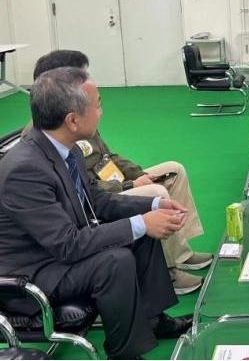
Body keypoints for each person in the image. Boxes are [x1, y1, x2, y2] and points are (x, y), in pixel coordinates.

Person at [0, 67, 192, 359]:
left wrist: (153, 206)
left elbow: (97, 201)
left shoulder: (66, 149)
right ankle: (125, 354)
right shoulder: (25, 170)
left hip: (56, 254)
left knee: (141, 233)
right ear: (73, 120)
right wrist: (141, 223)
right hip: (34, 273)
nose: (101, 112)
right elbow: (67, 245)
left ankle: (153, 320)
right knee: (115, 260)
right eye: (98, 105)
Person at [29, 50, 212, 295]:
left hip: (112, 185)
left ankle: (181, 253)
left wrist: (137, 174)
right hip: (104, 196)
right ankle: (168, 271)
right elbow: (82, 194)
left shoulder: (79, 123)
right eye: (81, 77)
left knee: (173, 170)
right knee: (155, 194)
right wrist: (130, 186)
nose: (89, 83)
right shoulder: (50, 136)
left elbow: (108, 157)